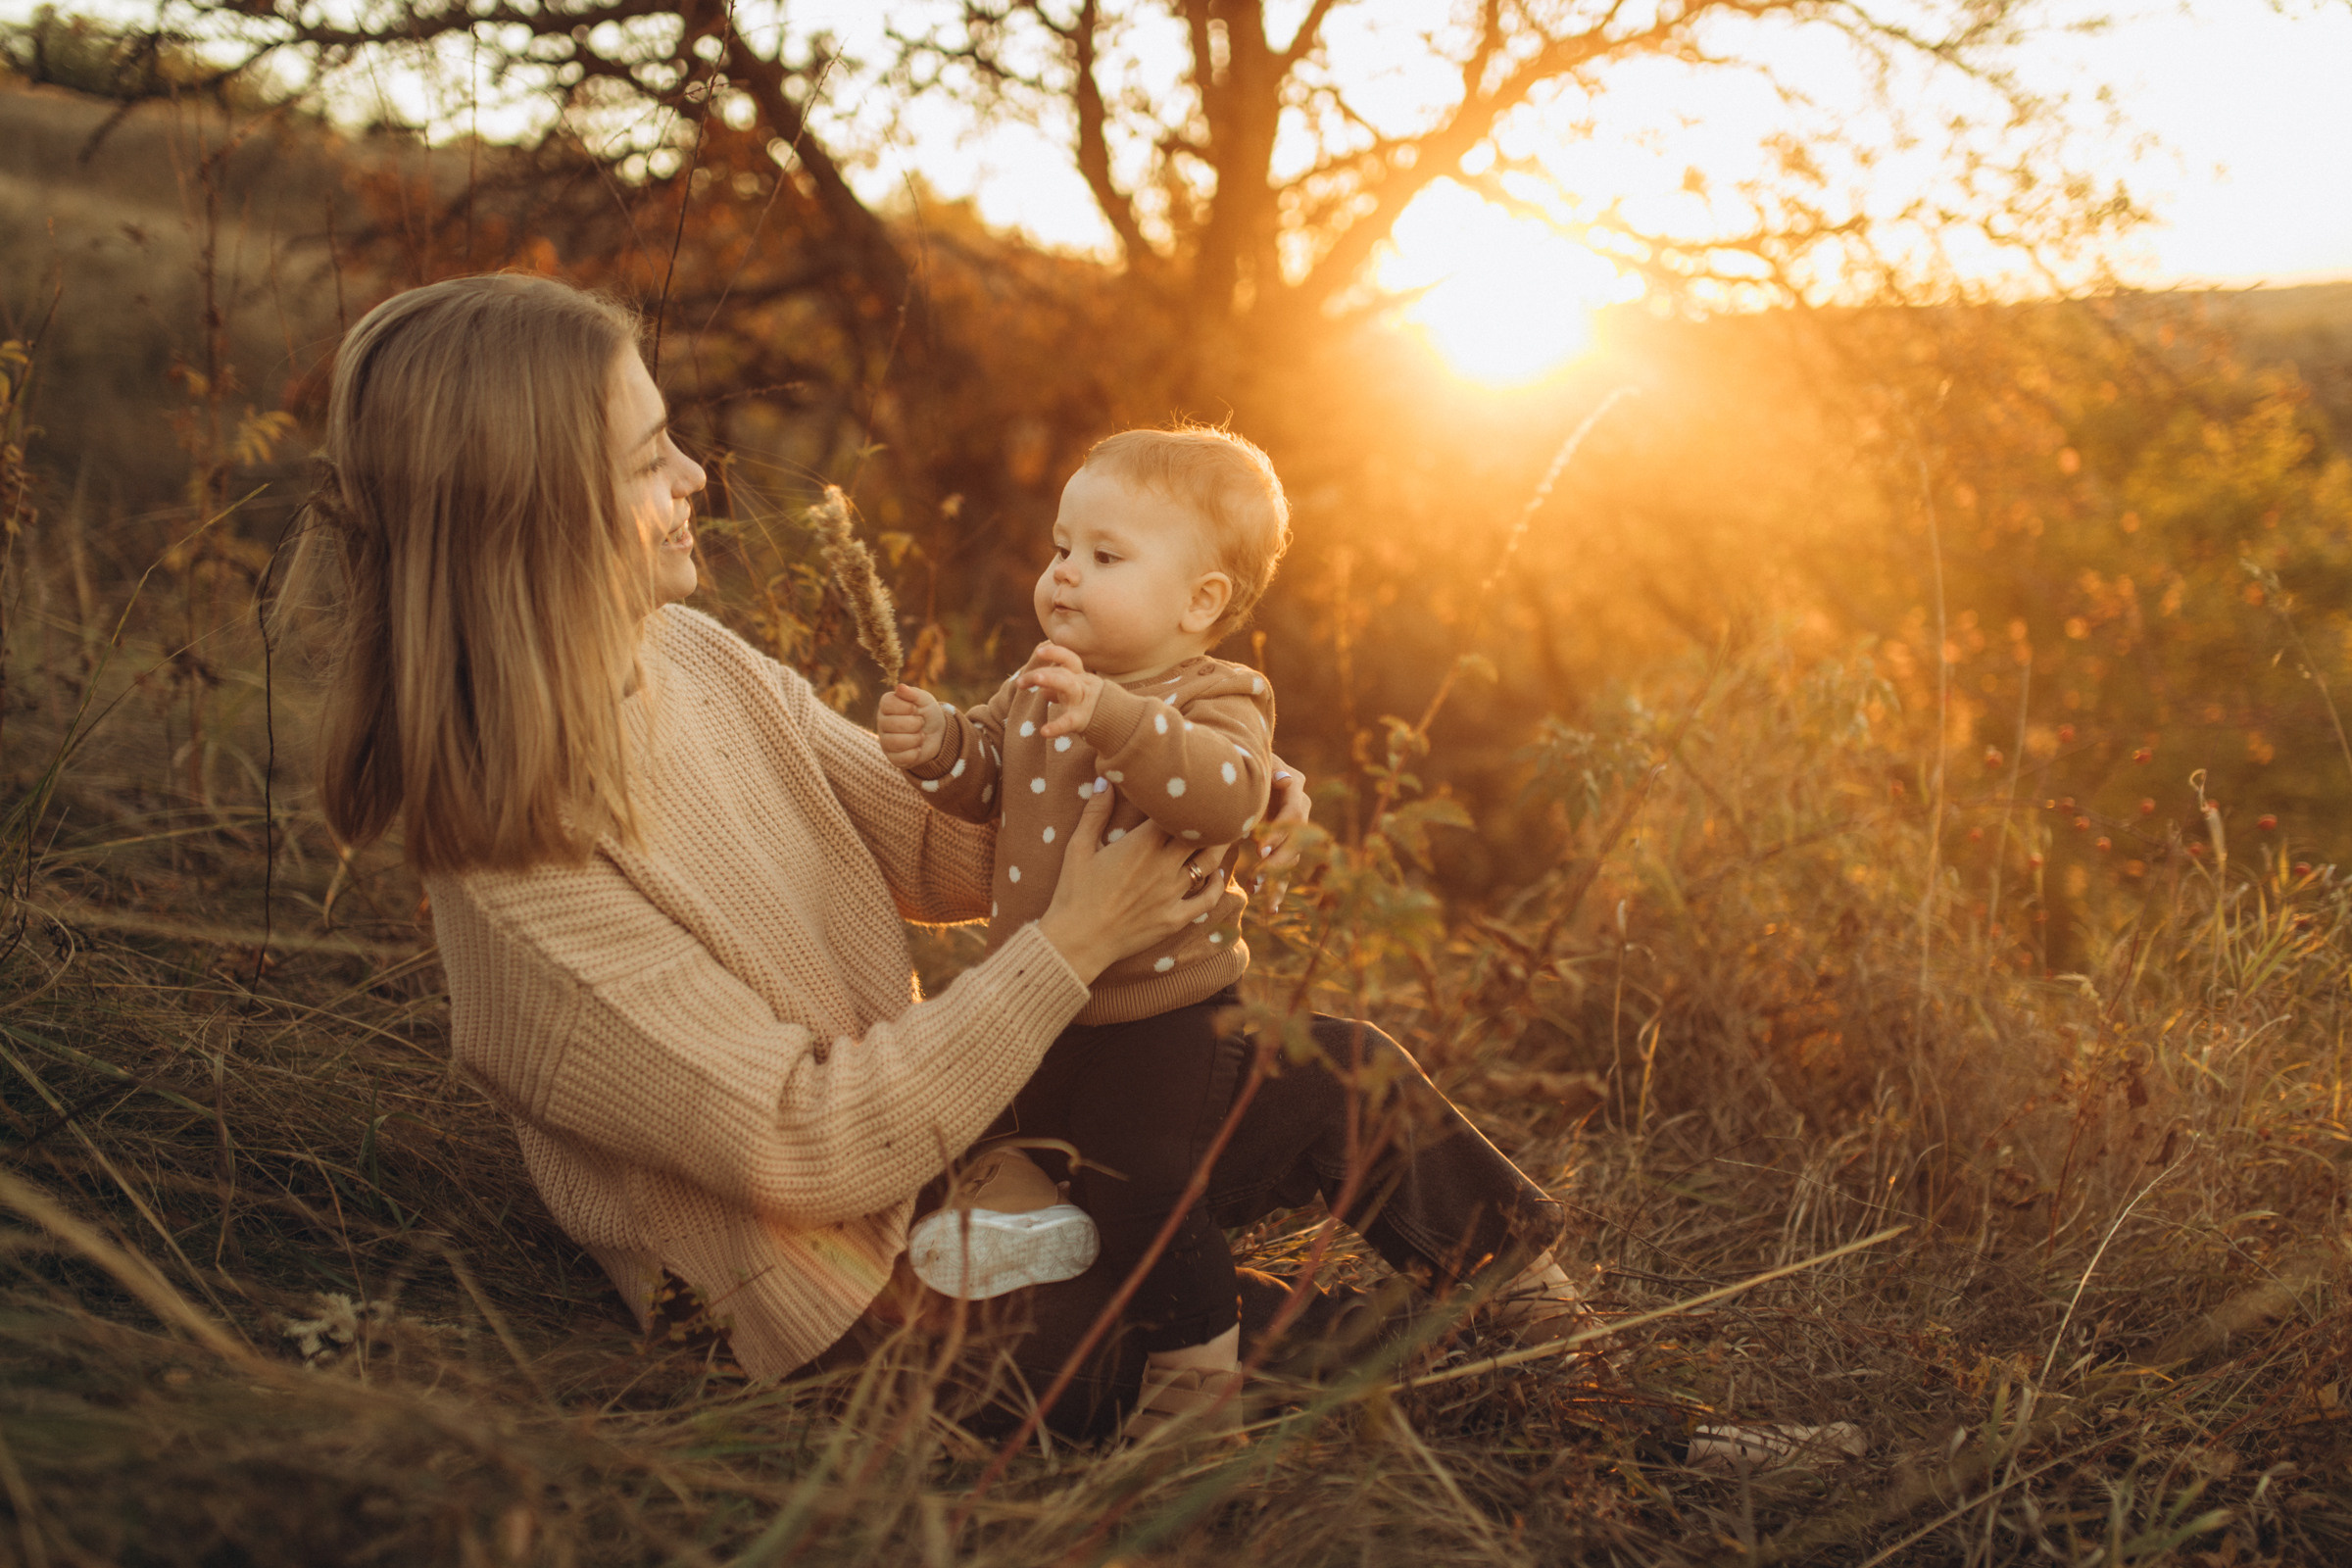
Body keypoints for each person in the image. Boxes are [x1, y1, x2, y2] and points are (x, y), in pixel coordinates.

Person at [278, 271, 1578, 1446]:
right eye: (646, 456)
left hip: (961, 1177)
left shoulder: (684, 658)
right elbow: (810, 1147)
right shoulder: (519, 878)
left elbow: (946, 851)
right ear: (532, 507)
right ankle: (1630, 1425)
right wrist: (1078, 939)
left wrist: (1186, 772)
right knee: (1283, 1337)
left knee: (1344, 1080)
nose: (694, 478)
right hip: (879, 1318)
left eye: (673, 436)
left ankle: (1571, 1337)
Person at [875, 426, 1291, 1434]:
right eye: (1064, 547)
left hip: (1165, 1013)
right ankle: (1026, 1235)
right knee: (1010, 1141)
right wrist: (942, 746)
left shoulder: (1215, 695)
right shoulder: (1037, 682)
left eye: (1105, 558)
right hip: (1046, 996)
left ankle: (1195, 1386)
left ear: (1202, 602)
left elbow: (1229, 795)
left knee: (1142, 1179)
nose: (1064, 575)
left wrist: (1110, 715)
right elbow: (991, 780)